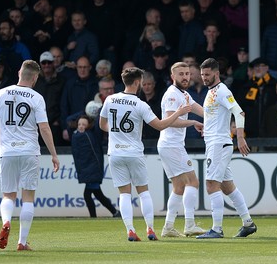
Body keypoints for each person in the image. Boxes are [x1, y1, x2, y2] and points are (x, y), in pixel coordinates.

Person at [99, 67, 191, 242]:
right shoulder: (140, 104)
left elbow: (103, 124)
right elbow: (160, 125)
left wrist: (116, 133)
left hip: (115, 152)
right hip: (134, 152)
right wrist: (179, 113)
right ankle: (150, 229)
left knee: (124, 194)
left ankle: (130, 231)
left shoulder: (110, 99)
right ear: (136, 82)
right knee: (143, 192)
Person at [0, 60, 60, 251]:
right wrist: (54, 154)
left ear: (20, 72)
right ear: (35, 77)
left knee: (8, 195)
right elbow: (44, 128)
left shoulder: (2, 93)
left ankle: (6, 221)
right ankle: (22, 241)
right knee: (27, 197)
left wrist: (2, 144)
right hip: (29, 150)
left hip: (8, 150)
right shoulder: (37, 97)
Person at [196, 58, 256, 239]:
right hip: (215, 143)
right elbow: (215, 116)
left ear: (216, 73)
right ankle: (248, 223)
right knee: (227, 187)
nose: (204, 78)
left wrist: (240, 137)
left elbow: (239, 112)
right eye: (202, 75)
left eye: (207, 75)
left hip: (219, 144)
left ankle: (217, 229)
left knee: (211, 184)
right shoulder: (211, 92)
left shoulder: (222, 90)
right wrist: (205, 127)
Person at [157, 62, 206, 238]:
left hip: (170, 145)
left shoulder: (183, 94)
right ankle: (190, 224)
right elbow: (170, 120)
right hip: (171, 145)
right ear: (173, 76)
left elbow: (200, 110)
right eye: (181, 74)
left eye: (187, 73)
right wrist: (193, 123)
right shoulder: (172, 94)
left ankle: (168, 227)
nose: (185, 77)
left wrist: (215, 118)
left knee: (178, 187)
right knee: (193, 182)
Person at [72, 115, 120, 218]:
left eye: (84, 124)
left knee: (88, 195)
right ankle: (115, 212)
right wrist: (84, 112)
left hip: (93, 169)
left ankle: (94, 217)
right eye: (79, 124)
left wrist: (99, 112)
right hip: (88, 170)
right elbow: (68, 119)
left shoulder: (93, 135)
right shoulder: (75, 135)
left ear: (88, 126)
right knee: (98, 194)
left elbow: (99, 124)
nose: (81, 126)